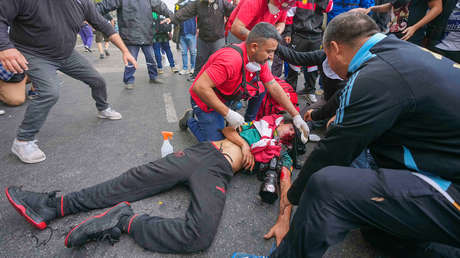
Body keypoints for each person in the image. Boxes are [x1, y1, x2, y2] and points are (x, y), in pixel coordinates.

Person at [236, 12, 460, 258]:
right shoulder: (397, 52)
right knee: (376, 228)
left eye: (327, 58)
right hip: (443, 162)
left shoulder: (375, 73)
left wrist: (292, 195)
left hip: (451, 186)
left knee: (327, 187)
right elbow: (345, 101)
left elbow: (334, 151)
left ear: (334, 48)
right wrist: (317, 115)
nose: (328, 65)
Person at [5, 114, 296, 254]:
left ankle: (124, 220)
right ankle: (52, 206)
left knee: (198, 238)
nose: (291, 133)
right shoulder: (262, 124)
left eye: (296, 135)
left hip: (217, 172)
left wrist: (284, 220)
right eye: (291, 127)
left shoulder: (281, 153)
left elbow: (287, 184)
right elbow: (226, 127)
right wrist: (242, 144)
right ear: (282, 120)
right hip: (205, 152)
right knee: (130, 181)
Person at [0, 0, 137, 164]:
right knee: (50, 91)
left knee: (97, 80)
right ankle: (23, 141)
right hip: (34, 54)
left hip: (65, 55)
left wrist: (125, 51)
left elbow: (104, 25)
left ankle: (103, 108)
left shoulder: (82, 2)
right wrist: (5, 47)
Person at [178, 22, 310, 143]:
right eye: (269, 52)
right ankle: (190, 119)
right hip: (205, 99)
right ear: (254, 47)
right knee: (216, 146)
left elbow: (273, 86)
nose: (272, 56)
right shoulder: (231, 60)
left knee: (261, 88)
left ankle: (245, 118)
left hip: (228, 95)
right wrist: (228, 113)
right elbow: (199, 87)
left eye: (273, 52)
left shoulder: (258, 58)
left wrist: (296, 115)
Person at [96, 0, 173, 89]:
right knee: (131, 59)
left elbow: (161, 7)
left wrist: (172, 16)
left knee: (151, 58)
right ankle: (129, 80)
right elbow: (104, 6)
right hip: (131, 34)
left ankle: (153, 76)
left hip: (145, 33)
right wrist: (88, 12)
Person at [162, 0, 235, 81]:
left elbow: (235, 12)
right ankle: (196, 75)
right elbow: (185, 12)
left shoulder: (222, 3)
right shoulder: (198, 3)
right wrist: (172, 18)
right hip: (203, 38)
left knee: (218, 60)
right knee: (200, 59)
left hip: (218, 38)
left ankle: (218, 79)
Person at [283, 0, 333, 103]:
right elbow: (289, 14)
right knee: (294, 65)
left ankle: (310, 91)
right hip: (298, 34)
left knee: (313, 66)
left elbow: (329, 8)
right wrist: (288, 33)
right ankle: (290, 94)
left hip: (316, 36)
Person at [362, 0, 442, 44]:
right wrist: (372, 8)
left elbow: (437, 8)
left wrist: (415, 27)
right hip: (392, 34)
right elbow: (391, 6)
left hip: (411, 36)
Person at [225, 0, 295, 44]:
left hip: (260, 38)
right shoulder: (253, 2)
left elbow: (282, 22)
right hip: (238, 35)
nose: (278, 9)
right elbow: (236, 28)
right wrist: (261, 39)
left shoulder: (283, 5)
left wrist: (278, 29)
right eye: (276, 6)